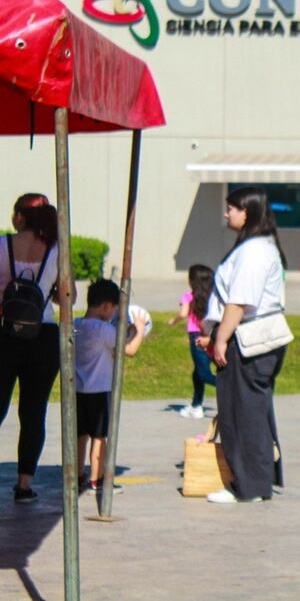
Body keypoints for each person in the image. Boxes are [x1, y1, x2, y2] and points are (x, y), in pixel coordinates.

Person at [201, 187, 288, 504]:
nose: (227, 213)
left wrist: (221, 338)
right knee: (252, 410)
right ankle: (258, 480)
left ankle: (250, 486)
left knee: (242, 413)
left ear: (247, 212)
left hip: (247, 339)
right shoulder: (258, 246)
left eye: (232, 208)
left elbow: (239, 301)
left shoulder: (254, 250)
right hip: (252, 337)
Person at [0, 193, 59, 504]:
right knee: (34, 412)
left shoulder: (3, 245)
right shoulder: (57, 250)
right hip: (44, 335)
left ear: (20, 216)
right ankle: (24, 484)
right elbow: (68, 296)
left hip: (6, 333)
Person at [74, 279, 147, 495]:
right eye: (114, 308)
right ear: (107, 306)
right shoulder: (103, 329)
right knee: (99, 437)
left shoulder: (77, 325)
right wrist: (139, 330)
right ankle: (98, 479)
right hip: (99, 390)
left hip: (78, 390)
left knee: (80, 435)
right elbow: (129, 350)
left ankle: (77, 475)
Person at [169, 264, 216, 419]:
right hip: (210, 336)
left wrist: (173, 321)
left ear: (192, 281)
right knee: (197, 372)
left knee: (203, 373)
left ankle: (228, 386)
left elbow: (183, 313)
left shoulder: (188, 296)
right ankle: (196, 405)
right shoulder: (212, 297)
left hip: (196, 337)